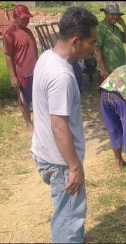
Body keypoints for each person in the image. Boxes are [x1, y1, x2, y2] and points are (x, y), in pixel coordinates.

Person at [31, 7, 98, 243]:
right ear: (76, 41)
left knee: (65, 211)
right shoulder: (62, 76)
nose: (92, 48)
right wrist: (74, 167)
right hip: (61, 162)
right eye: (91, 42)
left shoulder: (46, 57)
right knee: (68, 218)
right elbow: (59, 126)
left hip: (46, 153)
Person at [3, 4, 38, 132]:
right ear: (15, 18)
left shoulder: (28, 31)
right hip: (21, 74)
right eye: (23, 18)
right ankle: (28, 123)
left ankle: (39, 120)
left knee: (37, 97)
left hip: (35, 71)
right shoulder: (9, 34)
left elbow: (34, 51)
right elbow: (8, 56)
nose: (26, 20)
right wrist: (13, 76)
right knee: (23, 100)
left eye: (27, 18)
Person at [94, 2, 126, 81]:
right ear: (105, 13)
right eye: (112, 14)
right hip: (108, 70)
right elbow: (96, 48)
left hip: (119, 69)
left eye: (117, 15)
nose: (115, 17)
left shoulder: (116, 28)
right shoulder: (101, 27)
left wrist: (123, 24)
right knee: (107, 93)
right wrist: (103, 69)